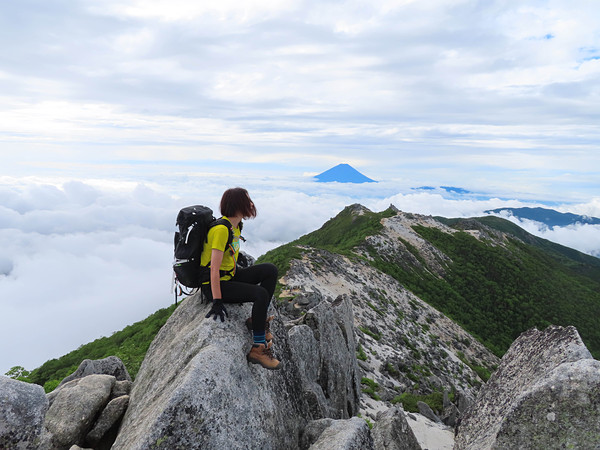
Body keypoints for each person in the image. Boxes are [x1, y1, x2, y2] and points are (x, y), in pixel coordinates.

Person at [200, 187, 281, 370]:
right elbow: (213, 268)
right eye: (248, 200)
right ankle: (258, 348)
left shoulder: (235, 225)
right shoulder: (221, 229)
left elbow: (229, 253)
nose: (251, 203)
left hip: (230, 275)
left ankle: (257, 321)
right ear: (239, 205)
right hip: (216, 283)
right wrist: (217, 300)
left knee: (270, 270)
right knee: (260, 293)